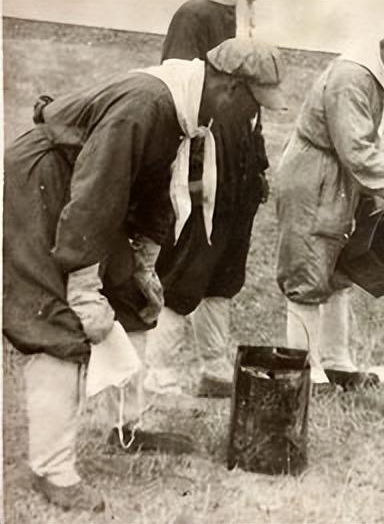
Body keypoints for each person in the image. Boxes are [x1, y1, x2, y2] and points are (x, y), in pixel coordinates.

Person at [2, 36, 287, 512]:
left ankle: (126, 426)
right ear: (232, 89)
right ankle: (53, 470)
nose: (252, 121)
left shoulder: (187, 106)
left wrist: (144, 261)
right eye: (254, 107)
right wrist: (85, 285)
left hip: (82, 191)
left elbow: (151, 186)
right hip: (43, 181)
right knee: (59, 321)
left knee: (134, 298)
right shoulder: (148, 103)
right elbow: (96, 194)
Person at [274, 12, 384, 390]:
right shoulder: (352, 79)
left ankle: (336, 362)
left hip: (341, 176)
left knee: (338, 270)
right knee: (309, 269)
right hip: (316, 176)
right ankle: (306, 371)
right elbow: (356, 149)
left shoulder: (371, 79)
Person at [144, 0, 276, 399]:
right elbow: (181, 96)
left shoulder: (243, 15)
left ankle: (214, 367)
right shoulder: (195, 14)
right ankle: (158, 373)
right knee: (186, 272)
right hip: (207, 168)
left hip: (239, 178)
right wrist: (192, 175)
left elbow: (254, 118)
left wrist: (258, 169)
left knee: (224, 276)